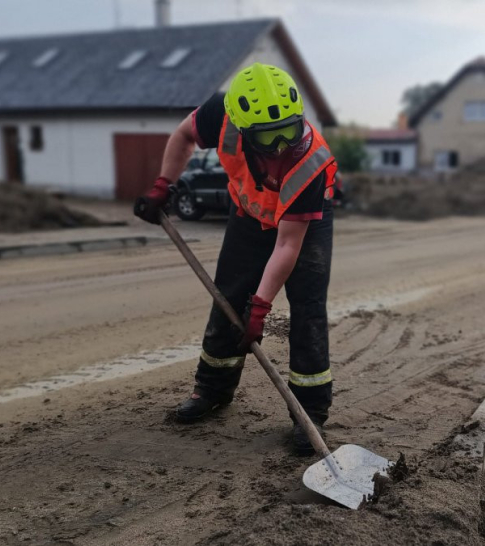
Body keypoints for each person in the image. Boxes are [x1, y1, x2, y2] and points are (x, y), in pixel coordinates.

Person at [133, 63, 339, 455]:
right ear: (242, 127)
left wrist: (260, 308)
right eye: (269, 137)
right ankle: (212, 391)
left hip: (303, 226)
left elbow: (286, 246)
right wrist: (164, 185)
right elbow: (183, 136)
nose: (281, 146)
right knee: (228, 297)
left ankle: (309, 413)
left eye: (289, 132)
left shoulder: (312, 162)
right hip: (248, 214)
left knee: (308, 308)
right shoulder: (219, 114)